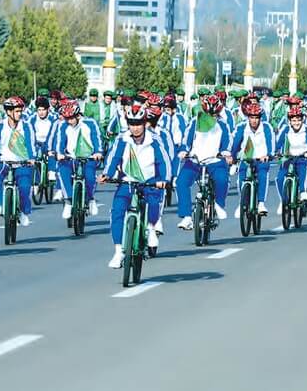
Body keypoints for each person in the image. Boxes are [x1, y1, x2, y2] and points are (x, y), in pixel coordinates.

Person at [99, 103, 169, 268]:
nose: (135, 128)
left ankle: (151, 229)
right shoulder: (122, 139)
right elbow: (113, 158)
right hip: (127, 182)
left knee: (154, 205)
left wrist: (164, 179)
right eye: (131, 123)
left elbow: (163, 161)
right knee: (117, 212)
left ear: (145, 123)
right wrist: (106, 174)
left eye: (138, 124)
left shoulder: (154, 140)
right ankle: (118, 251)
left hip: (150, 182)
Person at [177, 95, 232, 229]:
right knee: (181, 182)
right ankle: (187, 217)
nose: (211, 117)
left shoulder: (223, 124)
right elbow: (186, 140)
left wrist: (225, 152)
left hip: (215, 161)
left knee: (222, 179)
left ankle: (219, 205)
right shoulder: (195, 122)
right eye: (208, 114)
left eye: (214, 114)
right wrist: (184, 151)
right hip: (195, 161)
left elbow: (227, 141)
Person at [51, 99, 104, 220]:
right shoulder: (63, 125)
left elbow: (96, 138)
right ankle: (68, 201)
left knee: (90, 176)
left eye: (71, 118)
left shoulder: (90, 123)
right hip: (70, 158)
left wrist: (98, 152)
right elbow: (60, 142)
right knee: (62, 172)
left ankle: (90, 199)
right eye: (66, 118)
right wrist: (59, 154)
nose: (69, 121)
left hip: (88, 158)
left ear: (78, 115)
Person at [0, 97, 36, 227]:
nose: (19, 113)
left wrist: (31, 158)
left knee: (24, 187)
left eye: (20, 111)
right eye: (17, 111)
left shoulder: (26, 126)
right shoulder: (0, 126)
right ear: (8, 112)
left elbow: (30, 144)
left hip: (22, 162)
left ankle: (24, 212)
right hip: (4, 161)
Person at [229, 101, 274, 218]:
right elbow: (235, 144)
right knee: (241, 177)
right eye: (252, 117)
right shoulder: (241, 127)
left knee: (263, 175)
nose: (254, 120)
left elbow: (270, 142)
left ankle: (261, 203)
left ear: (260, 118)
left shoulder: (266, 127)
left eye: (256, 118)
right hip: (246, 157)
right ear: (248, 117)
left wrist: (269, 155)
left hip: (261, 158)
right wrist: (232, 158)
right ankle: (242, 202)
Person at [275, 106, 307, 212]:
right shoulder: (285, 129)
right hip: (288, 157)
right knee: (280, 178)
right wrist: (276, 152)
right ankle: (283, 201)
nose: (296, 123)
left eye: (298, 120)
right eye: (293, 120)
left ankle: (302, 192)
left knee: (303, 171)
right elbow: (278, 142)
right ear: (289, 121)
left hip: (302, 156)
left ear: (302, 119)